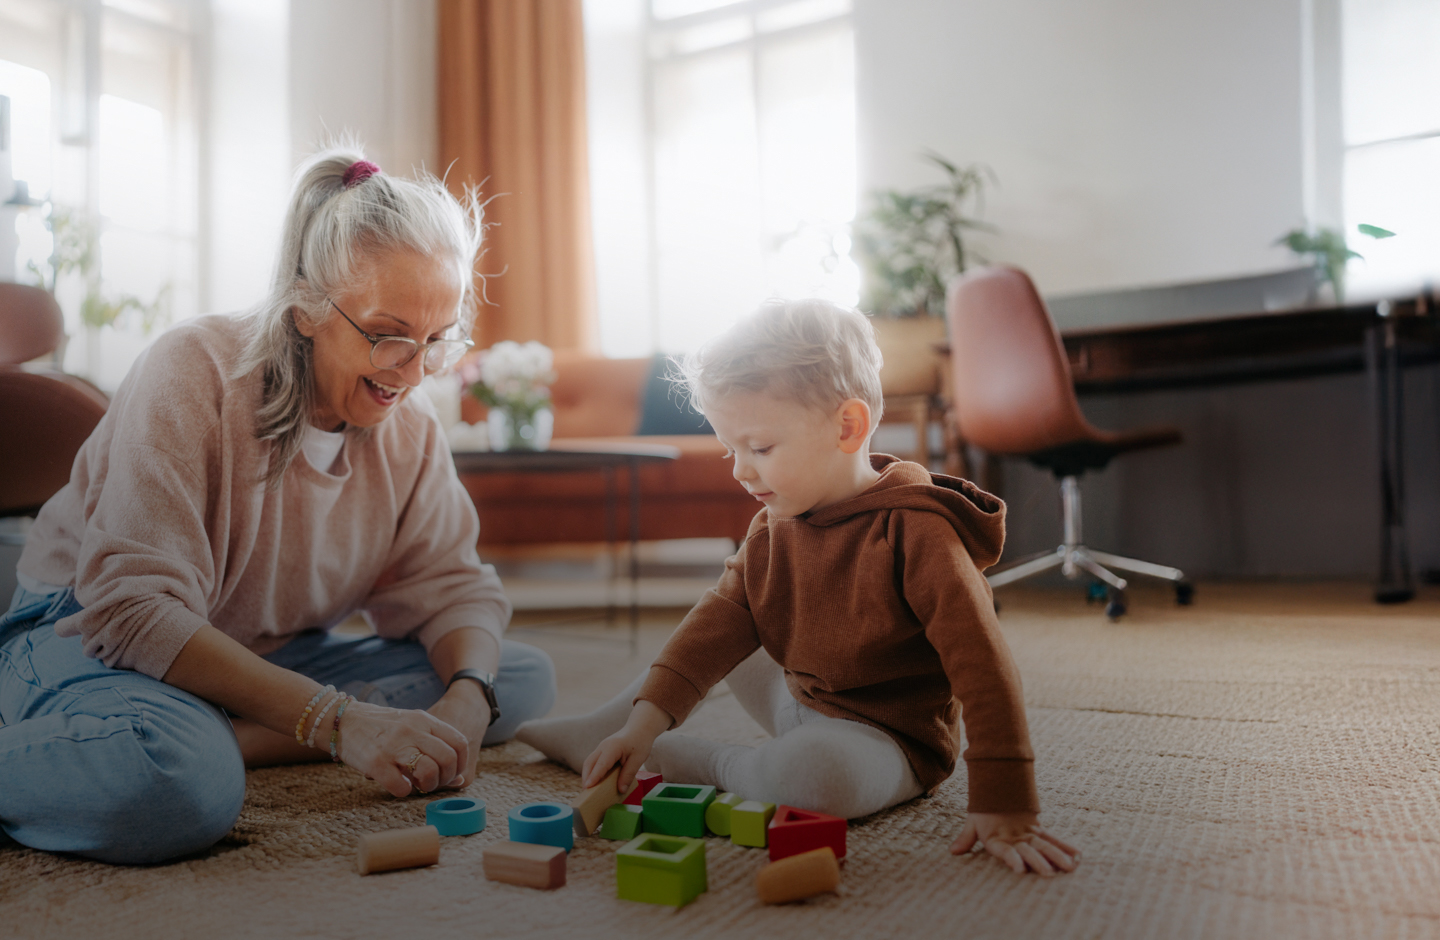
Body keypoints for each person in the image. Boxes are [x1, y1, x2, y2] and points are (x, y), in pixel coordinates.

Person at [0, 146, 556, 864]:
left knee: (509, 676)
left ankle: (227, 733)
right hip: (84, 632)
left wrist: (466, 702)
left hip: (260, 649)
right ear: (306, 308)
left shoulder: (408, 427)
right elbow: (132, 608)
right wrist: (336, 722)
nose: (413, 372)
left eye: (436, 341)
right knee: (178, 781)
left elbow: (453, 588)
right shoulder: (193, 369)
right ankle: (192, 742)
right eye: (387, 335)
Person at [517, 299, 1078, 875]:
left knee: (810, 781)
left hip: (887, 742)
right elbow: (715, 626)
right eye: (730, 450)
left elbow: (982, 663)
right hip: (800, 700)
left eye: (759, 448)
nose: (740, 470)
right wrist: (645, 721)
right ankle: (611, 729)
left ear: (847, 426)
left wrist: (1005, 795)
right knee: (720, 630)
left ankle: (717, 763)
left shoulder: (916, 531)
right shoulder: (773, 525)